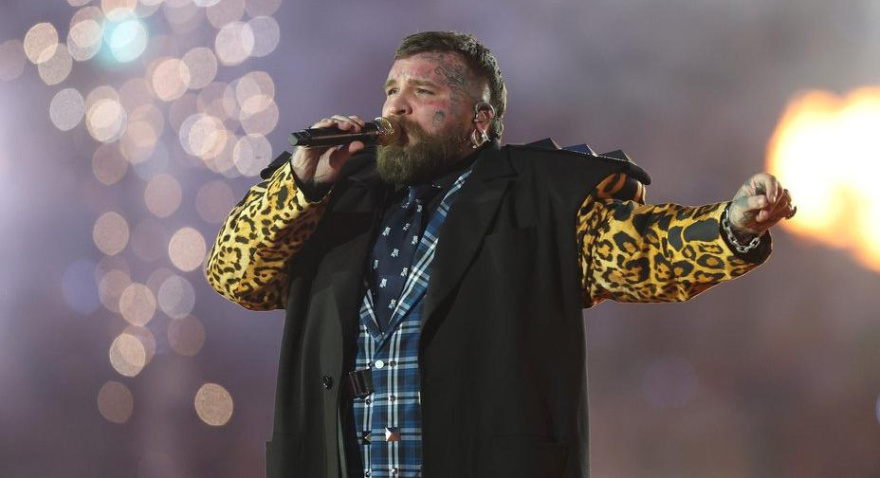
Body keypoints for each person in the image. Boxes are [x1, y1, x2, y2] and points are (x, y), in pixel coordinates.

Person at [205, 31, 795, 478]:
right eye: (391, 90)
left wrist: (730, 227)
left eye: (423, 91)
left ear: (479, 120)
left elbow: (644, 252)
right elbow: (235, 276)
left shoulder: (538, 195)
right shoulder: (331, 197)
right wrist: (300, 187)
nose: (395, 107)